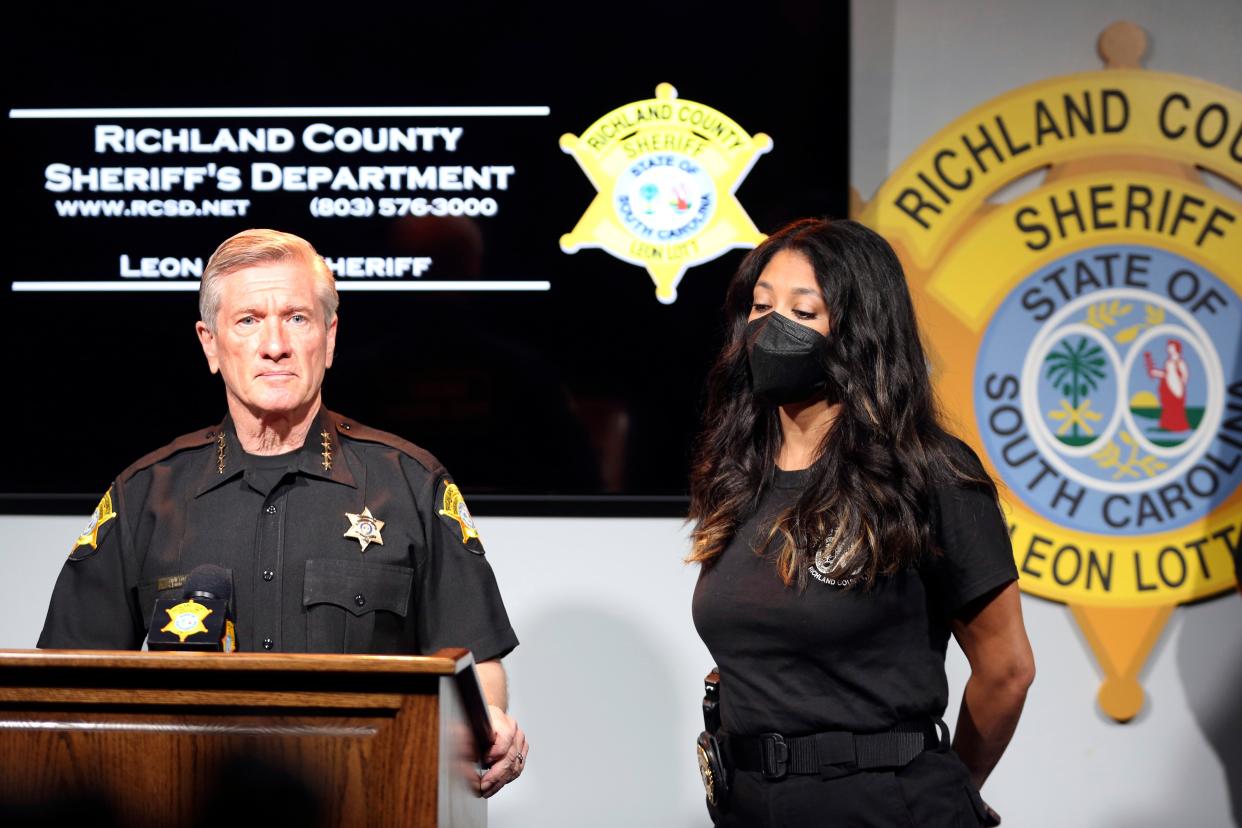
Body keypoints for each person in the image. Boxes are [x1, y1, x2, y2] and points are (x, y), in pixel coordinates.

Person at [38, 228, 527, 797]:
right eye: (248, 320)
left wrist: (490, 718)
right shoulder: (143, 495)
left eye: (296, 317)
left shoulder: (411, 484)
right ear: (211, 344)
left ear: (330, 336)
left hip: (367, 798)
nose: (275, 344)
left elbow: (475, 661)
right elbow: (65, 688)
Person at [689, 218, 1035, 826]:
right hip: (749, 804)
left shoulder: (930, 473)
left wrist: (953, 786)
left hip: (884, 804)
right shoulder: (737, 473)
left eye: (804, 312)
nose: (773, 328)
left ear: (859, 329)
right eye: (761, 306)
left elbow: (1006, 669)